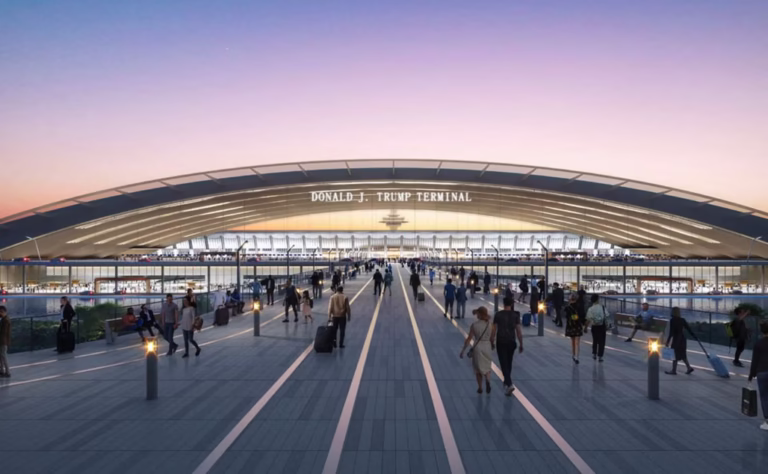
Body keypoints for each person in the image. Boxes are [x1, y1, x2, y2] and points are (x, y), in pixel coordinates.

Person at [491, 297, 523, 396]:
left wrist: (492, 340)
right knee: (509, 362)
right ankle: (506, 382)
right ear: (512, 304)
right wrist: (521, 343)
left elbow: (494, 329)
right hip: (511, 341)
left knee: (503, 363)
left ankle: (509, 384)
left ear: (503, 303)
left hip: (501, 341)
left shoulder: (498, 315)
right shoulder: (515, 315)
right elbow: (518, 331)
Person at [459, 306, 493, 394]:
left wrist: (463, 350)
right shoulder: (490, 325)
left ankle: (480, 388)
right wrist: (492, 345)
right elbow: (492, 337)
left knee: (478, 369)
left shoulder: (474, 325)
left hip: (478, 346)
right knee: (487, 367)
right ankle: (488, 380)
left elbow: (469, 338)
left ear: (479, 314)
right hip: (487, 346)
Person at [748, 321, 768, 431]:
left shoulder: (759, 343)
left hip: (762, 372)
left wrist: (751, 375)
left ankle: (767, 422)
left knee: (765, 397)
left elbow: (754, 361)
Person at [664, 307, 694, 375]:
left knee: (674, 354)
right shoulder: (682, 320)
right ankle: (688, 367)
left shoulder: (672, 320)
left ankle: (674, 370)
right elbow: (689, 329)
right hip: (682, 339)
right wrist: (694, 336)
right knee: (682, 354)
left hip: (676, 339)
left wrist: (667, 341)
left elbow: (671, 332)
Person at [585, 294, 608, 362]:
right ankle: (600, 356)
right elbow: (606, 316)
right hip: (602, 326)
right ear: (597, 299)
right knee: (602, 342)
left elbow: (588, 319)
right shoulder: (602, 307)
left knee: (595, 340)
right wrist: (607, 325)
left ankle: (594, 353)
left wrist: (585, 327)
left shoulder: (590, 309)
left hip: (594, 327)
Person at [564, 294, 583, 363]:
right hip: (578, 325)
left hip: (571, 326)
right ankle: (577, 357)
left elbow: (567, 316)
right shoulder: (579, 307)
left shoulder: (567, 308)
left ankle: (573, 355)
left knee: (573, 341)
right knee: (578, 342)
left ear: (570, 300)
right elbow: (582, 316)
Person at [0, 306, 10, 378]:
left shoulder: (5, 320)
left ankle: (7, 372)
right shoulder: (4, 319)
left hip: (3, 341)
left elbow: (4, 332)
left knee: (3, 356)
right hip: (3, 341)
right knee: (2, 356)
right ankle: (2, 371)